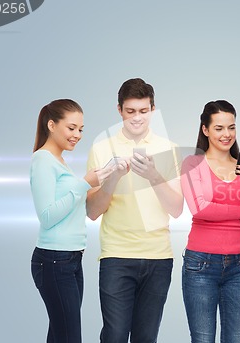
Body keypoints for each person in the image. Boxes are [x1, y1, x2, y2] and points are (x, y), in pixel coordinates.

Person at [86, 78, 183, 343]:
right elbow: (92, 212)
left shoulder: (169, 149)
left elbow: (176, 208)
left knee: (146, 338)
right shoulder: (101, 148)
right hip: (116, 256)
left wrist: (153, 176)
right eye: (130, 111)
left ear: (152, 109)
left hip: (158, 258)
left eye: (143, 111)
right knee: (115, 336)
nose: (137, 118)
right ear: (119, 110)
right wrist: (113, 179)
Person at [180, 100, 240, 343]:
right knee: (203, 339)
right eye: (219, 128)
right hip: (201, 266)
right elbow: (199, 209)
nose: (226, 134)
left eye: (231, 127)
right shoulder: (192, 164)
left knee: (236, 339)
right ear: (205, 130)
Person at [30, 99, 113, 343]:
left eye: (81, 130)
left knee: (59, 335)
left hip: (70, 259)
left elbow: (80, 206)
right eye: (71, 128)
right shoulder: (43, 160)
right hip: (54, 261)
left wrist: (107, 178)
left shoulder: (59, 161)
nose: (77, 135)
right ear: (52, 125)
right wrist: (85, 182)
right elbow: (47, 216)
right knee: (68, 336)